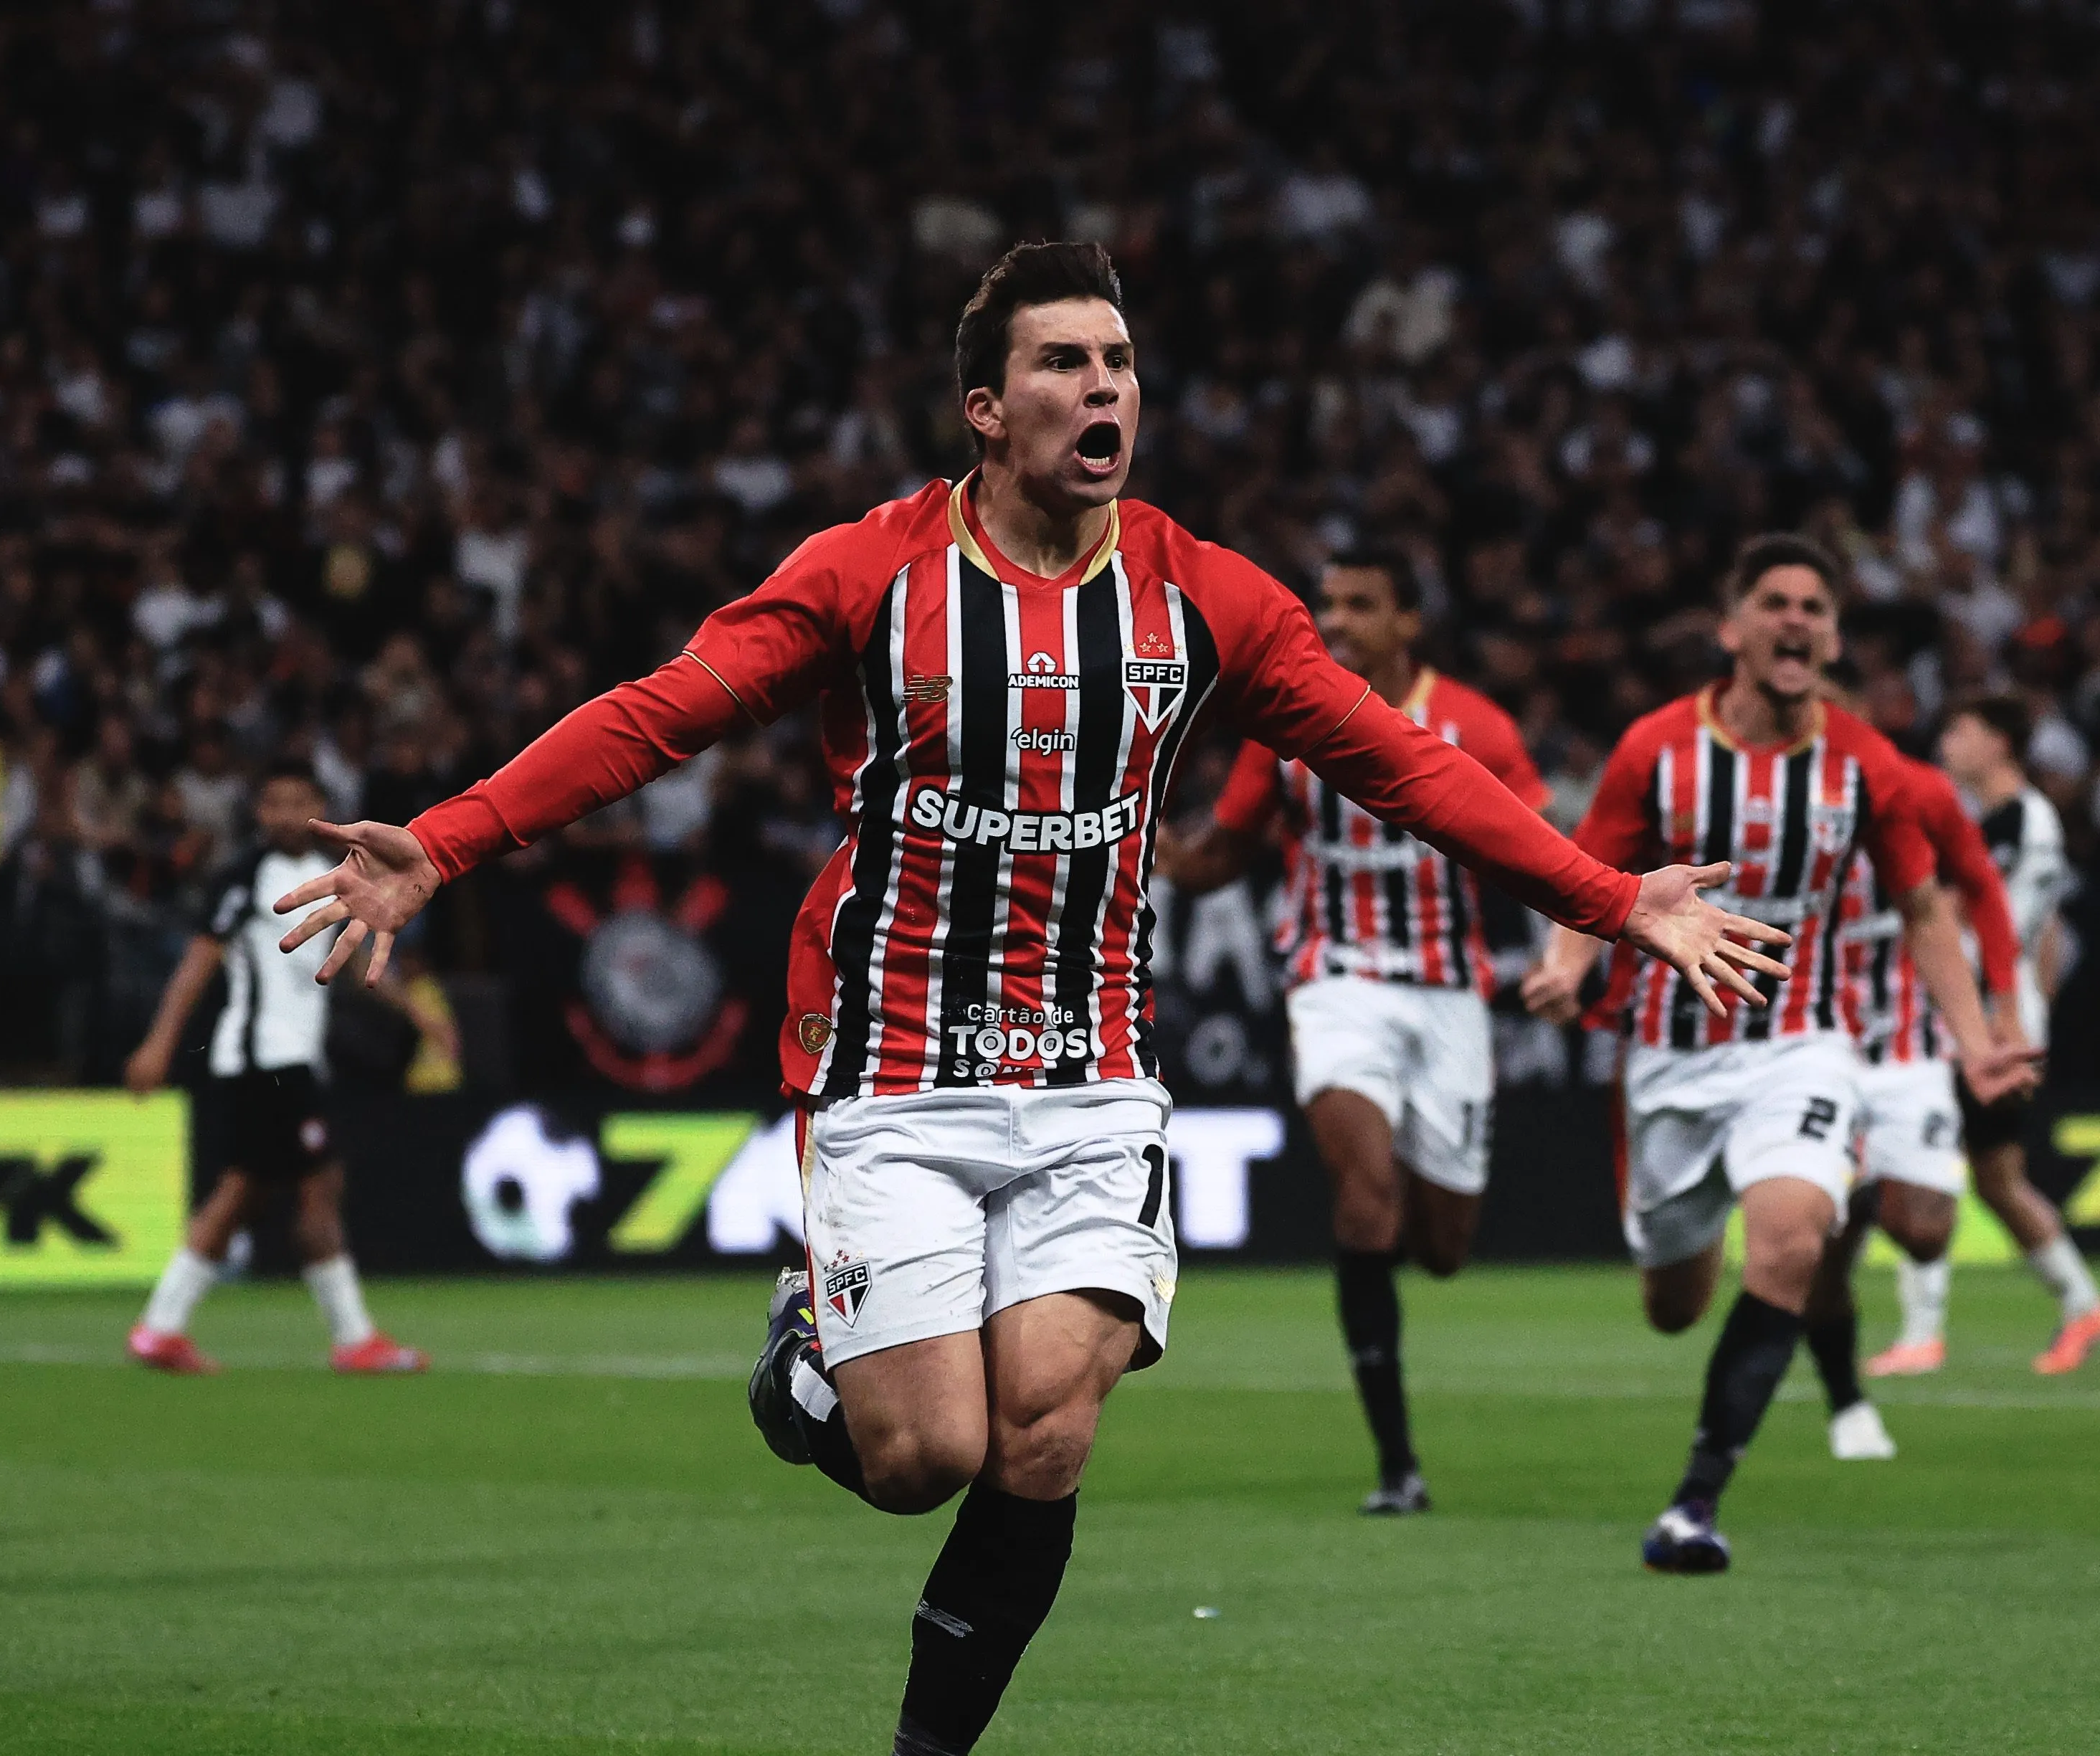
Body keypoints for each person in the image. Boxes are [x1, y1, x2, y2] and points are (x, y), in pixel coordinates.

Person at [272, 242, 1785, 1755]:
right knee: (925, 1453)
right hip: (899, 1069)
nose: (1104, 385)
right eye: (1065, 363)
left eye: (1119, 362)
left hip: (1092, 1077)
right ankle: (810, 1360)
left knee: (1047, 1432)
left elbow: (1405, 767)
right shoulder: (868, 574)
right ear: (986, 413)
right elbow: (662, 714)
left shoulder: (1207, 598)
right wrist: (449, 840)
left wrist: (1613, 894)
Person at [1524, 533, 2038, 1577]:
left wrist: (1977, 1042)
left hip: (1802, 1042)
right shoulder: (1657, 748)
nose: (1796, 620)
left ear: (1834, 637)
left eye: (1814, 606)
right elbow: (1593, 870)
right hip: (1669, 1056)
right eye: (1775, 602)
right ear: (1734, 629)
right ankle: (1693, 1253)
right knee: (1673, 1307)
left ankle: (1694, 1502)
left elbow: (1923, 906)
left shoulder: (1866, 762)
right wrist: (1566, 964)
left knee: (1797, 1242)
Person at [1155, 554, 1547, 1515]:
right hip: (1333, 986)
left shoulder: (1476, 726)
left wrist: (1568, 955)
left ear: (1408, 621)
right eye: (1327, 603)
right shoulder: (1285, 721)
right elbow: (1222, 857)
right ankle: (1398, 1464)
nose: (1336, 620)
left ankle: (1403, 1280)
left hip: (1450, 996)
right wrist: (1143, 837)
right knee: (1366, 1201)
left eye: (1360, 605)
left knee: (1444, 1245)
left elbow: (1540, 846)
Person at [121, 765, 429, 1375]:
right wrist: (159, 1043)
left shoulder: (332, 876)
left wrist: (417, 1010)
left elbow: (341, 956)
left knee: (243, 1192)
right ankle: (354, 1338)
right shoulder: (246, 875)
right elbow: (200, 959)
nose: (287, 815)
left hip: (287, 1058)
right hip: (268, 1058)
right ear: (259, 812)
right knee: (315, 1185)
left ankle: (160, 1329)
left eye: (299, 802)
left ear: (320, 806)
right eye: (275, 803)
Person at [1801, 746, 2021, 1460]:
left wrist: (1999, 1016)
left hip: (1906, 1050)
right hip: (1813, 1051)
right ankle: (1848, 1406)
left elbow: (1981, 888)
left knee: (1924, 1229)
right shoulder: (1773, 814)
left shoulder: (1918, 802)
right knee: (1818, 1260)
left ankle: (1867, 1191)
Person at [1867, 696, 2093, 1375]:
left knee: (1917, 1163)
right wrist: (2032, 1008)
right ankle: (2084, 1303)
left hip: (1974, 1024)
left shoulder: (2017, 818)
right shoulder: (2028, 821)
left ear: (2000, 741)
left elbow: (1960, 909)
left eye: (1960, 730)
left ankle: (1921, 1333)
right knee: (1997, 1179)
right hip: (2000, 1017)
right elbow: (2048, 934)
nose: (1947, 742)